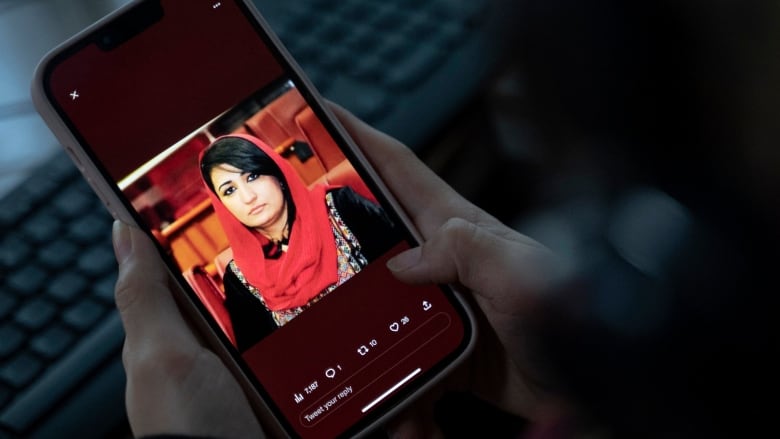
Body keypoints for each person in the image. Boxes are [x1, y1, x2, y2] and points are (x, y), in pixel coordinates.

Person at [199, 134, 399, 350]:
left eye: (253, 176)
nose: (248, 197)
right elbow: (269, 360)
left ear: (277, 174)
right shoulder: (239, 279)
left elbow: (405, 270)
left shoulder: (341, 207)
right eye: (229, 190)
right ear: (223, 207)